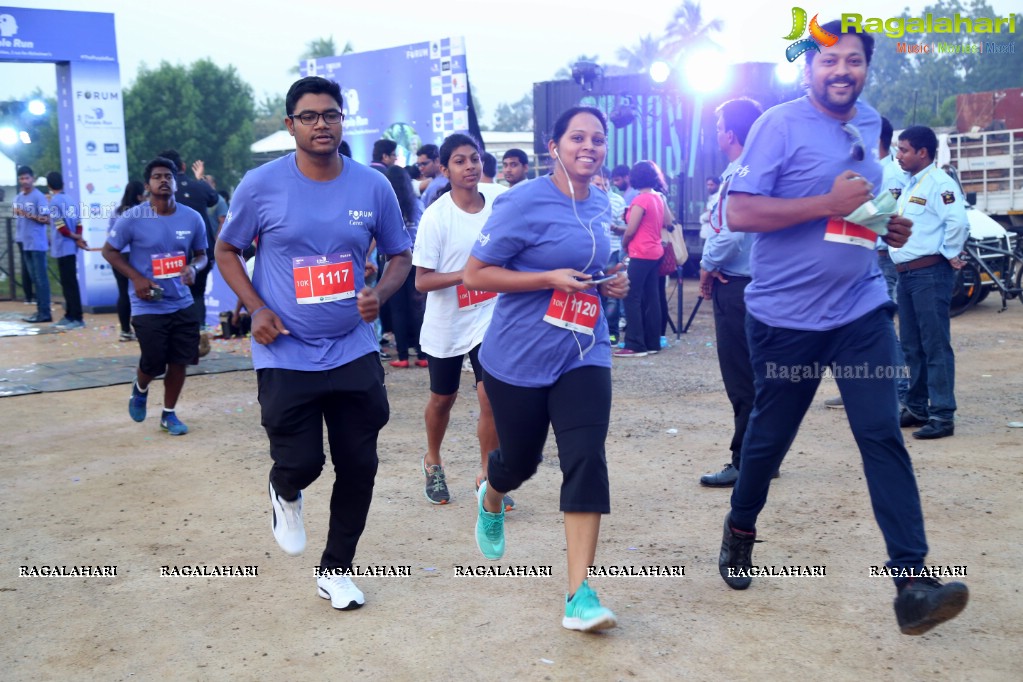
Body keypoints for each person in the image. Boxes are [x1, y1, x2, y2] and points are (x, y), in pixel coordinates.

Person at [719, 20, 968, 636]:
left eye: (853, 61)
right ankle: (741, 525)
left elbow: (858, 208)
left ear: (865, 68)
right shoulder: (777, 125)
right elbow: (739, 211)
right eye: (828, 61)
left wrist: (886, 226)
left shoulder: (869, 122)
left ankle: (912, 583)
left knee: (881, 431)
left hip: (859, 308)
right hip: (784, 321)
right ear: (808, 70)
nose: (841, 71)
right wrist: (824, 205)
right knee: (768, 440)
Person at [215, 76, 412, 612]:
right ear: (290, 125)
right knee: (301, 461)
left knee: (359, 463)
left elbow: (399, 255)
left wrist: (379, 293)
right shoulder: (259, 186)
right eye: (309, 116)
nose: (321, 124)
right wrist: (256, 308)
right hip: (285, 351)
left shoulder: (373, 185)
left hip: (352, 347)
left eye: (330, 114)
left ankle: (337, 570)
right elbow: (227, 249)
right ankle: (285, 491)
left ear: (343, 120)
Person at [463, 105, 629, 632]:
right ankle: (493, 494)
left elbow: (600, 265)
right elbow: (475, 274)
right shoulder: (522, 201)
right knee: (520, 463)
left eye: (598, 139)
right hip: (518, 357)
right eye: (577, 137)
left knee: (585, 455)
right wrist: (547, 278)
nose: (589, 146)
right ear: (554, 146)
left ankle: (579, 594)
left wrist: (613, 281)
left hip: (584, 350)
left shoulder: (603, 201)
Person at [412, 133, 508, 507]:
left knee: (491, 397)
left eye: (475, 159)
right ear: (444, 168)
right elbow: (422, 281)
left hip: (489, 316)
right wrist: (468, 274)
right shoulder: (436, 217)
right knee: (443, 397)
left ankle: (488, 477)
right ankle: (433, 459)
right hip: (447, 322)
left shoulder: (500, 199)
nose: (470, 167)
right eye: (460, 161)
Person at [102, 157, 208, 436]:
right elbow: (109, 251)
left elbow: (202, 255)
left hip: (182, 301)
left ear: (175, 182)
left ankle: (169, 414)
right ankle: (140, 388)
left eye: (168, 176)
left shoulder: (192, 217)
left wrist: (193, 269)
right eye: (157, 176)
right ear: (148, 184)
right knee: (154, 359)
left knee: (179, 360)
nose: (163, 180)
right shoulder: (133, 218)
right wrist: (136, 277)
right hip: (147, 303)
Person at [698, 97, 765, 487]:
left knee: (742, 379)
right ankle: (762, 456)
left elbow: (730, 233)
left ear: (730, 133)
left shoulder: (739, 173)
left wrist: (707, 267)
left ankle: (746, 460)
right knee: (759, 376)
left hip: (738, 287)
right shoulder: (761, 170)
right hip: (759, 284)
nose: (717, 130)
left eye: (719, 123)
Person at [825, 116, 910, 409]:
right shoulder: (861, 169)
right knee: (847, 326)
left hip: (882, 257)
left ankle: (898, 390)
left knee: (879, 327)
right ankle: (851, 386)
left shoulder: (890, 173)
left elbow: (892, 218)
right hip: (859, 255)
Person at [891, 125, 969, 440]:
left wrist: (949, 253)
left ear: (923, 152)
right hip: (907, 275)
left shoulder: (939, 183)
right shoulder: (911, 185)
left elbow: (957, 222)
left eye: (905, 149)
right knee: (911, 345)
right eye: (898, 149)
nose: (899, 155)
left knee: (935, 344)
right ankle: (917, 407)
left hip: (929, 273)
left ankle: (942, 414)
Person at [614, 160, 672, 358]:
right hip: (656, 252)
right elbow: (668, 221)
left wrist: (624, 244)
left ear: (634, 177)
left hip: (640, 252)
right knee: (652, 297)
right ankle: (652, 342)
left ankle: (635, 344)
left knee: (631, 296)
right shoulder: (657, 197)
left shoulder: (641, 200)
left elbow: (631, 229)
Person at [157, 150, 219, 334]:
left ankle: (174, 328)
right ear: (183, 167)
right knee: (198, 291)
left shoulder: (161, 191)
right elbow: (214, 198)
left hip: (170, 247)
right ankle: (199, 329)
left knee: (170, 290)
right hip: (202, 248)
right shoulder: (198, 187)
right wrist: (199, 179)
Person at [382, 163, 427, 368]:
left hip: (394, 261)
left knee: (398, 309)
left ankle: (401, 357)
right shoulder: (416, 203)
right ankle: (422, 354)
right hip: (417, 260)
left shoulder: (386, 204)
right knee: (418, 307)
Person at [46, 171, 87, 330]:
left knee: (69, 284)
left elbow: (60, 226)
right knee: (69, 283)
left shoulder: (54, 202)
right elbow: (78, 222)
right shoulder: (71, 200)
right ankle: (70, 314)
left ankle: (76, 317)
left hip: (63, 246)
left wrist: (74, 236)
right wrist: (78, 237)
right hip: (71, 247)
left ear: (49, 186)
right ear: (62, 183)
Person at [109, 181, 147, 341]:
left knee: (123, 293)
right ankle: (145, 329)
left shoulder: (116, 212)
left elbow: (110, 237)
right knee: (146, 290)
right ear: (139, 195)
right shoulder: (143, 212)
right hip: (136, 256)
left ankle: (125, 331)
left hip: (117, 256)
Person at [592, 169, 626, 344]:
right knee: (592, 293)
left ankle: (612, 333)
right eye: (597, 184)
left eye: (605, 184)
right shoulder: (582, 199)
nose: (601, 188)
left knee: (612, 294)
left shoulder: (618, 201)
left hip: (612, 252)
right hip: (591, 254)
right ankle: (595, 332)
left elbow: (625, 228)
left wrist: (613, 227)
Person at [13, 166, 48, 319]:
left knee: (40, 279)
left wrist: (27, 214)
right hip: (23, 242)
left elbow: (46, 219)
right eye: (21, 178)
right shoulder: (18, 197)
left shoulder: (38, 197)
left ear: (32, 179)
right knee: (34, 279)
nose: (24, 181)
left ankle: (45, 312)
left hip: (37, 244)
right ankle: (40, 310)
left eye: (27, 178)